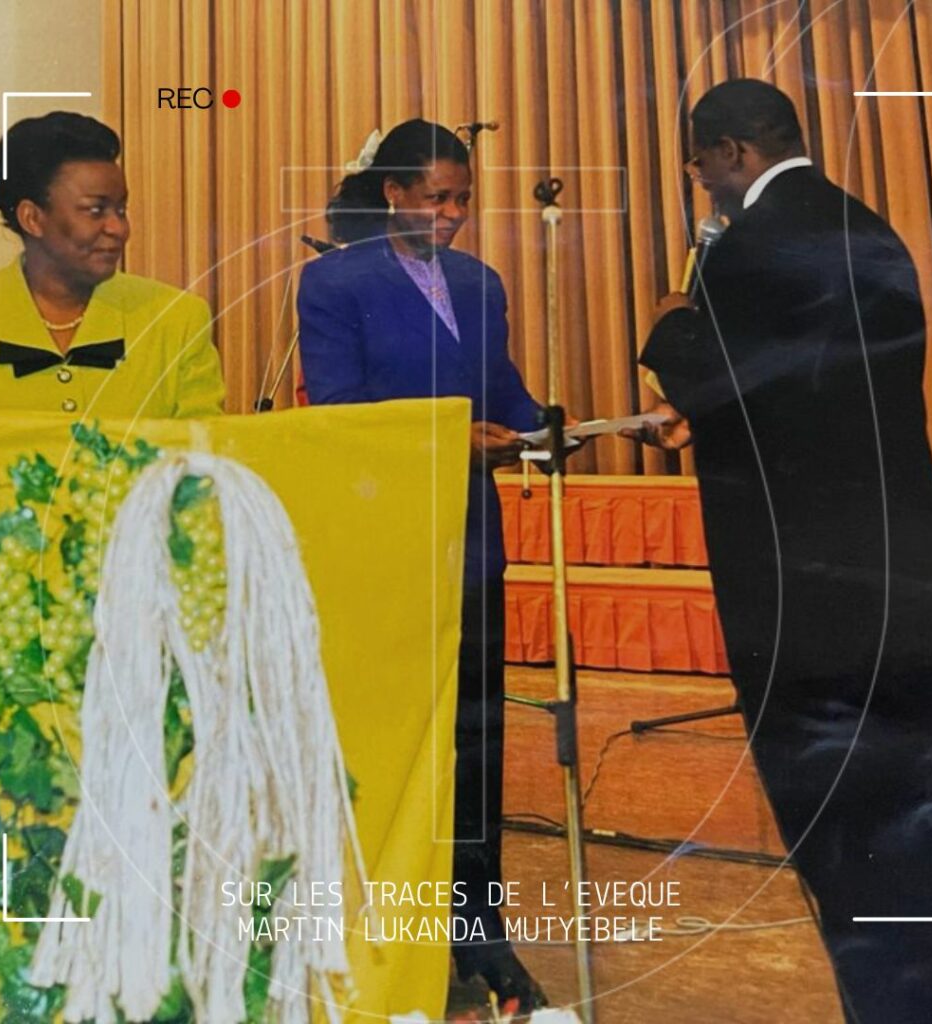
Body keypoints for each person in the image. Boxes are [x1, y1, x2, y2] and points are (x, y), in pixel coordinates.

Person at [627, 79, 932, 1022]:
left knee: (847, 852)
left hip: (805, 611)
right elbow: (808, 397)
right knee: (928, 837)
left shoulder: (746, 252)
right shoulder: (871, 229)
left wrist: (668, 321)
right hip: (900, 589)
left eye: (702, 167)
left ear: (733, 153)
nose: (705, 185)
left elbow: (714, 370)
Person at [297, 119, 547, 1012]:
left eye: (463, 198)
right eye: (435, 196)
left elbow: (504, 390)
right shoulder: (333, 281)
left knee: (477, 746)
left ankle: (479, 930)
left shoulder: (482, 283)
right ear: (393, 193)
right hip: (388, 541)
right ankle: (388, 935)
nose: (451, 214)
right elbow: (340, 411)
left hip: (470, 544)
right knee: (400, 747)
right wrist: (450, 438)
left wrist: (555, 429)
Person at [0, 111, 224, 418]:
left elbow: (204, 444)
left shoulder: (177, 319)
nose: (119, 228)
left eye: (121, 210)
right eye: (95, 211)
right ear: (32, 218)